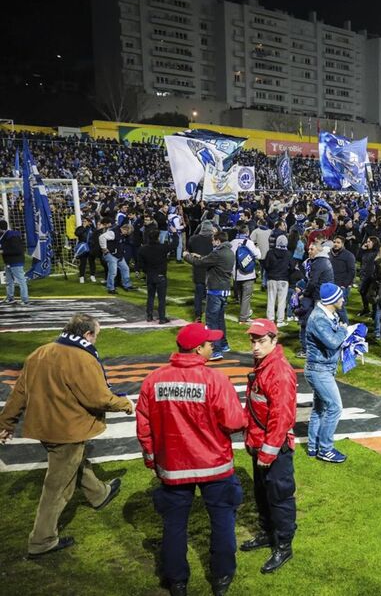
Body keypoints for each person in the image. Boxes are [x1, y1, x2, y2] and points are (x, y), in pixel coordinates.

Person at [0, 313, 132, 558]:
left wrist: (6, 421)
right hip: (66, 429)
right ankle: (42, 540)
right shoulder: (82, 358)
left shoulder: (40, 352)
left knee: (73, 463)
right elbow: (98, 397)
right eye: (96, 336)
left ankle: (99, 494)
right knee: (58, 486)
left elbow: (19, 391)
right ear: (86, 334)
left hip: (45, 426)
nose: (96, 341)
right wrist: (125, 404)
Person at [136, 322, 247, 596]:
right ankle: (221, 576)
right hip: (215, 464)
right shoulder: (215, 380)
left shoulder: (154, 380)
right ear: (198, 348)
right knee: (222, 520)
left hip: (173, 466)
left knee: (174, 525)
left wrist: (152, 459)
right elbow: (234, 421)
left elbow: (144, 425)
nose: (213, 346)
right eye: (210, 343)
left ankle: (176, 581)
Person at [241, 319, 298, 573]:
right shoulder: (263, 364)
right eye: (253, 341)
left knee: (279, 496)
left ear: (275, 341)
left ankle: (284, 545)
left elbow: (281, 417)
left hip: (274, 448)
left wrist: (268, 450)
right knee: (262, 494)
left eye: (261, 341)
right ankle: (267, 533)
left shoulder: (279, 372)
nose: (255, 346)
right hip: (259, 443)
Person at [305, 283, 351, 463]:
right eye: (340, 297)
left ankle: (312, 446)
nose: (343, 299)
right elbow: (332, 342)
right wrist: (343, 330)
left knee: (320, 408)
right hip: (319, 370)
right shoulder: (318, 319)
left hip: (323, 368)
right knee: (335, 408)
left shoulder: (328, 314)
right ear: (332, 300)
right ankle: (325, 449)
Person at [184, 230, 235, 360]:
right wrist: (199, 256)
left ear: (218, 240)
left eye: (213, 240)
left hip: (215, 291)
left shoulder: (217, 253)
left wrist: (187, 256)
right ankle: (224, 344)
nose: (212, 242)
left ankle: (215, 350)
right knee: (220, 320)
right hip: (224, 289)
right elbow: (209, 260)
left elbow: (200, 263)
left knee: (211, 321)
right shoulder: (229, 251)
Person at [137, 229, 175, 324]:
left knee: (150, 296)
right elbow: (175, 244)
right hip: (161, 276)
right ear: (158, 238)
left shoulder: (143, 249)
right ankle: (162, 318)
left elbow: (140, 264)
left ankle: (149, 316)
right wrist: (175, 233)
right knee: (161, 298)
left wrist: (145, 271)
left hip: (150, 276)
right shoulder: (162, 248)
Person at [230, 223, 261, 324]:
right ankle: (243, 318)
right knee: (246, 296)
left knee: (240, 295)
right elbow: (258, 256)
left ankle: (246, 312)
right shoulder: (249, 242)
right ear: (247, 232)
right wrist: (257, 248)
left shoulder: (232, 243)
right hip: (247, 274)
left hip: (235, 274)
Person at [187, 220, 216, 323]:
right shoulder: (214, 240)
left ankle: (198, 315)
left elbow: (190, 252)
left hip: (198, 269)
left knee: (198, 295)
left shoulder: (193, 239)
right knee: (211, 295)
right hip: (210, 271)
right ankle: (210, 316)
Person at [98, 217, 135, 295]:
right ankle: (110, 288)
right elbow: (102, 237)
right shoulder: (113, 232)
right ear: (125, 229)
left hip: (119, 255)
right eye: (128, 232)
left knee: (125, 269)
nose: (127, 235)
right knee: (113, 272)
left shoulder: (120, 233)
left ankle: (127, 285)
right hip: (111, 255)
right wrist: (104, 248)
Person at [263, 235, 292, 326]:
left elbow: (266, 266)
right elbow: (291, 267)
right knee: (282, 301)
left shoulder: (270, 252)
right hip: (283, 279)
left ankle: (270, 319)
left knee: (271, 300)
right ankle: (280, 321)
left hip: (272, 278)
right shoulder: (288, 254)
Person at [0, 219, 29, 305]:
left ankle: (25, 299)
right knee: (9, 282)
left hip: (16, 262)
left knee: (21, 281)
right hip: (9, 262)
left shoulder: (12, 236)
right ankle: (10, 298)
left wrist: (3, 251)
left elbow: (17, 250)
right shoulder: (5, 235)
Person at [330, 235, 356, 323]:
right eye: (334, 242)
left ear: (343, 244)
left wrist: (344, 285)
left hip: (342, 286)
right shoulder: (330, 254)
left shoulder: (349, 255)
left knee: (340, 308)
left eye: (338, 242)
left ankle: (346, 326)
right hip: (332, 284)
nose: (335, 244)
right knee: (331, 308)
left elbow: (352, 272)